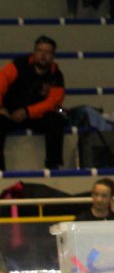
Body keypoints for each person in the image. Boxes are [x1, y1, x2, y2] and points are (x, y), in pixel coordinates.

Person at [0, 35, 66, 171]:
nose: (43, 55)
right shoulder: (18, 65)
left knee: (56, 119)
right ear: (34, 52)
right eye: (39, 51)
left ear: (53, 55)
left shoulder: (56, 75)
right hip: (9, 112)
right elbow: (1, 81)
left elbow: (53, 102)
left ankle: (53, 165)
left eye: (47, 52)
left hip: (35, 115)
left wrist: (27, 112)